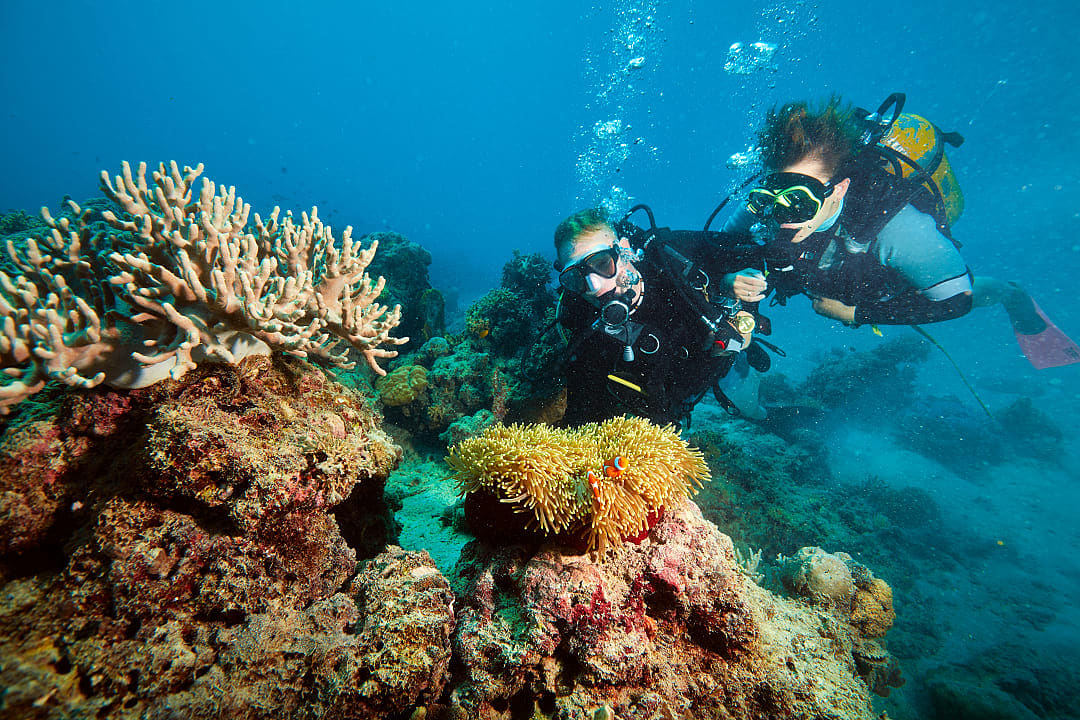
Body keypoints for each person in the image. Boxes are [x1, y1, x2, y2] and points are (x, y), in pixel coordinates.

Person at [721, 96, 1079, 368]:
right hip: (828, 276)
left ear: (840, 189)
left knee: (971, 288)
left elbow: (957, 301)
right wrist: (730, 280)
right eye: (773, 196)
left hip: (883, 284)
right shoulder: (763, 206)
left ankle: (1013, 294)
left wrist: (856, 314)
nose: (782, 216)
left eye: (799, 201)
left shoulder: (897, 226)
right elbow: (719, 249)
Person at [552, 207, 769, 427]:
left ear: (624, 250)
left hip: (719, 365)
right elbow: (582, 413)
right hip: (670, 394)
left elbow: (751, 252)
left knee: (748, 407)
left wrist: (739, 304)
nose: (593, 286)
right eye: (576, 276)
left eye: (601, 263)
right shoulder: (582, 321)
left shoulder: (671, 257)